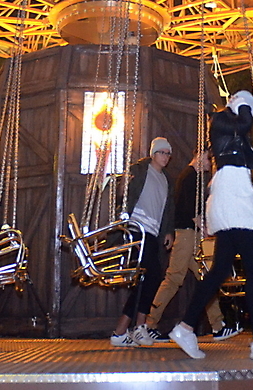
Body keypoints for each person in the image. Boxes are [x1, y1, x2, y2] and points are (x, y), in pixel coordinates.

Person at [168, 91, 253, 361]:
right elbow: (245, 123)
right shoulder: (222, 119)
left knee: (220, 271)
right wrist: (243, 102)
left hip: (232, 200)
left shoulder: (225, 125)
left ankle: (186, 327)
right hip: (235, 202)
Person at [146, 148, 232, 340]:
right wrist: (205, 228)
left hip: (190, 234)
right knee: (174, 278)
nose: (210, 163)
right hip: (186, 234)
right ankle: (149, 324)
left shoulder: (193, 177)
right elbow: (188, 208)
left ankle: (218, 325)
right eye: (208, 159)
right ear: (199, 156)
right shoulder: (189, 177)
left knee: (205, 277)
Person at [110, 137, 175, 347]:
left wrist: (168, 231)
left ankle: (131, 329)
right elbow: (125, 193)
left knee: (151, 278)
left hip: (153, 232)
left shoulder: (166, 180)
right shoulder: (139, 170)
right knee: (148, 276)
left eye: (168, 154)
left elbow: (167, 209)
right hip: (137, 228)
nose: (165, 157)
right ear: (153, 154)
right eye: (162, 152)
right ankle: (128, 328)